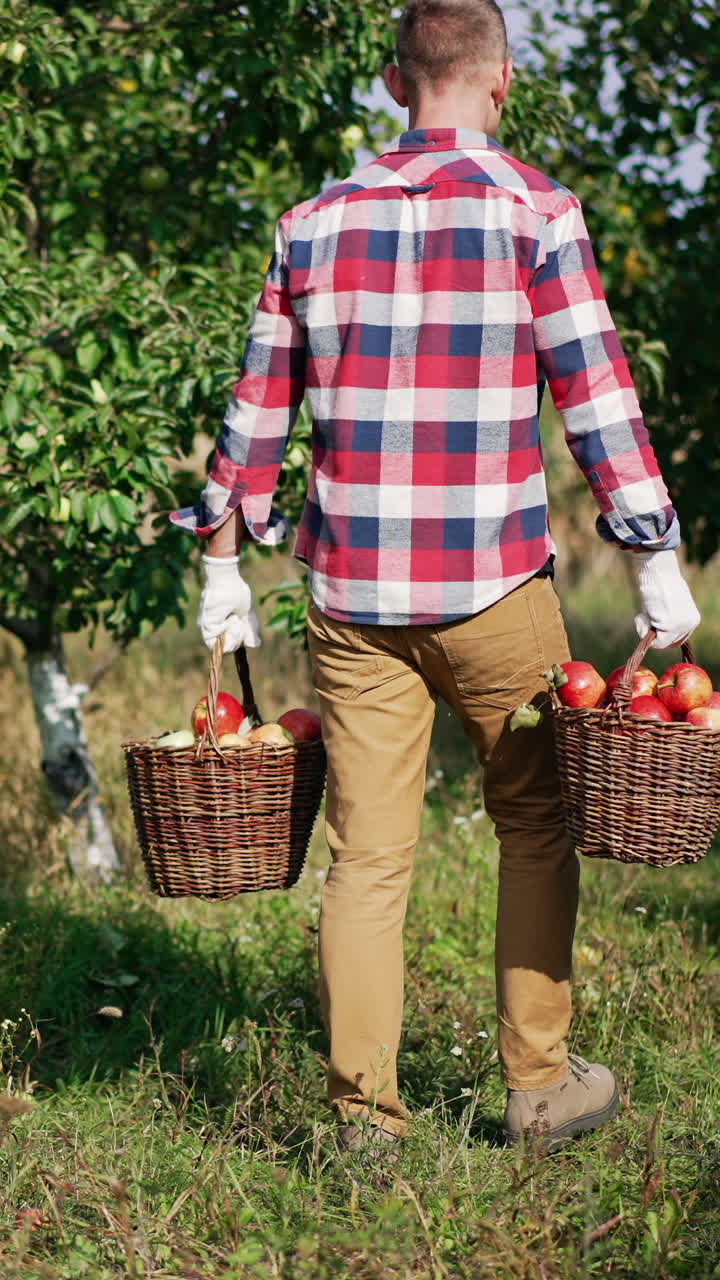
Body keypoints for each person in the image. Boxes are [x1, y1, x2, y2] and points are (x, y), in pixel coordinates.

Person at [172, 0, 700, 1150]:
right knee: (538, 818)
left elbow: (259, 406)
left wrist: (222, 557)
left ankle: (366, 1118)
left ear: (391, 79)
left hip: (352, 599)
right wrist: (653, 554)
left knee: (366, 855)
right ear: (501, 82)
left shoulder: (311, 223)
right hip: (494, 592)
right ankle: (540, 1084)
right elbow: (599, 400)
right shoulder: (538, 212)